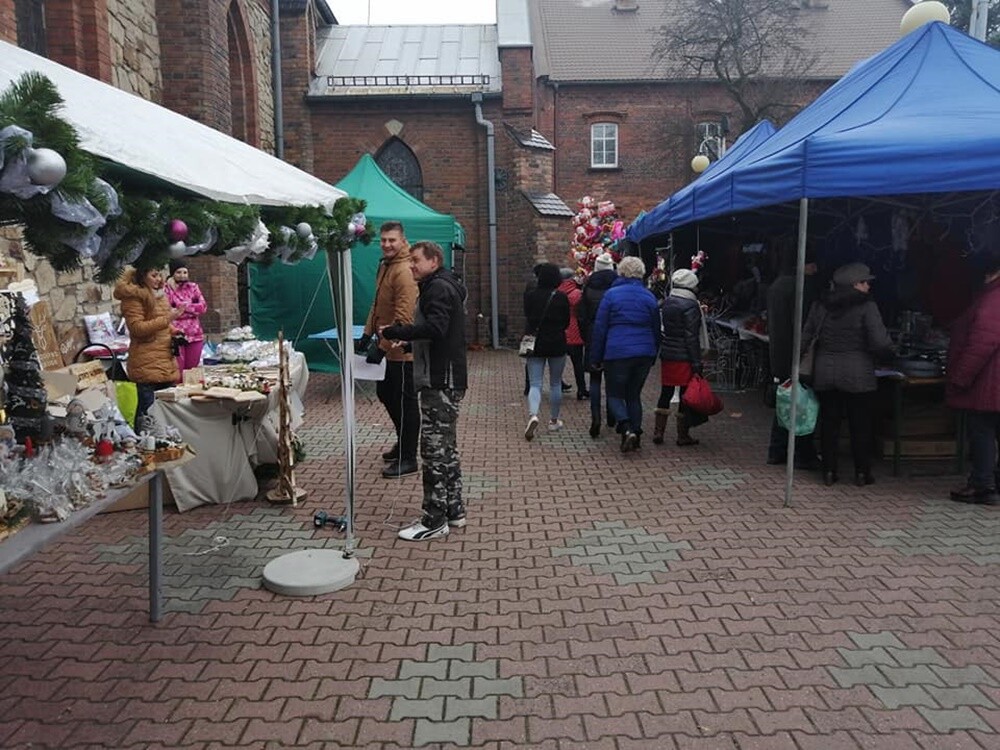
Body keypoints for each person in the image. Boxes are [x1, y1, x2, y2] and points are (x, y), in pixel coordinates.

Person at [381, 241, 468, 541]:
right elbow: (437, 333)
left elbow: (436, 328)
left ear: (433, 260)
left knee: (433, 451)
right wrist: (409, 343)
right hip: (446, 377)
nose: (411, 266)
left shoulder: (438, 288)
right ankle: (454, 510)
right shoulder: (444, 285)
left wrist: (398, 331)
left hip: (439, 381)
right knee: (447, 450)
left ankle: (434, 519)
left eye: (416, 260)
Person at [803, 262, 893, 487]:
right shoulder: (867, 307)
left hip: (825, 371)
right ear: (854, 284)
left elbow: (806, 336)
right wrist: (889, 355)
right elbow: (880, 342)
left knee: (829, 422)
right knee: (860, 424)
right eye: (864, 282)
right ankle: (862, 472)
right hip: (858, 372)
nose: (868, 287)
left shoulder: (820, 305)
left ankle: (829, 471)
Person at [362, 221, 420, 478]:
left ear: (403, 240)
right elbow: (377, 305)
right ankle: (402, 442)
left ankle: (409, 457)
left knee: (406, 403)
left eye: (392, 240)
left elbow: (404, 317)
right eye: (383, 240)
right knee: (386, 394)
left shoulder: (404, 271)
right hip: (388, 348)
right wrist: (365, 335)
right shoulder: (386, 265)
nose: (386, 244)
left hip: (403, 351)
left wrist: (382, 347)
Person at [946, 249, 1000, 504]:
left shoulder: (994, 298)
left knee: (982, 432)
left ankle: (982, 485)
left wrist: (960, 377)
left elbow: (982, 342)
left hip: (990, 383)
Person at [589, 256, 659, 452]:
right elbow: (655, 327)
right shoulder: (649, 296)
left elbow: (600, 328)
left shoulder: (611, 295)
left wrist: (596, 357)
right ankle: (635, 432)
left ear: (620, 272)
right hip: (644, 351)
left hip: (617, 351)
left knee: (614, 394)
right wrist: (654, 353)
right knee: (634, 395)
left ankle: (626, 427)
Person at [765, 248, 821, 468]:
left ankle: (776, 450)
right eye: (813, 263)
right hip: (796, 354)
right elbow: (804, 324)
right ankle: (803, 454)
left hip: (779, 352)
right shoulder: (801, 288)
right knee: (801, 405)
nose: (816, 268)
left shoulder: (777, 284)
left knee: (785, 402)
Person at [113, 265, 183, 429]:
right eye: (154, 275)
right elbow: (137, 328)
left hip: (165, 360)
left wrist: (175, 331)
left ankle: (167, 446)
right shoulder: (133, 298)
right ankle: (144, 447)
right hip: (146, 363)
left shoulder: (159, 295)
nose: (159, 279)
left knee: (168, 413)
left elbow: (160, 323)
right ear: (142, 277)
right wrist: (168, 319)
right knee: (148, 414)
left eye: (160, 275)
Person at [654, 268, 708, 447]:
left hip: (668, 353)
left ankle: (658, 431)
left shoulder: (667, 302)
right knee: (685, 395)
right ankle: (682, 434)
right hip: (684, 355)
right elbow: (691, 336)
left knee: (666, 391)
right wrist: (696, 362)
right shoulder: (691, 305)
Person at [522, 263, 571, 439]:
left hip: (535, 343)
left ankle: (533, 415)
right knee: (556, 383)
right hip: (557, 342)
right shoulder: (561, 297)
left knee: (535, 383)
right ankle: (553, 420)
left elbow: (527, 316)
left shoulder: (530, 296)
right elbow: (566, 322)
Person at [578, 252, 617, 437]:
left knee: (594, 379)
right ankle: (611, 415)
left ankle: (595, 417)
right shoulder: (617, 287)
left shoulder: (588, 287)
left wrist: (586, 335)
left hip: (593, 335)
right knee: (612, 378)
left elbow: (581, 316)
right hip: (613, 335)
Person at [164, 259, 207, 377]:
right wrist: (191, 309)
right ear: (172, 273)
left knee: (192, 371)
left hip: (195, 334)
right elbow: (167, 311)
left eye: (185, 272)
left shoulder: (193, 287)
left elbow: (203, 307)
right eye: (178, 272)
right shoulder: (166, 289)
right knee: (178, 370)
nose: (182, 275)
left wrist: (181, 307)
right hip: (177, 334)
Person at [557, 268, 588, 399]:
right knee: (578, 364)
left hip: (560, 331)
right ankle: (581, 389)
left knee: (558, 362)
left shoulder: (556, 293)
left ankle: (558, 385)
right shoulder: (577, 293)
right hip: (575, 331)